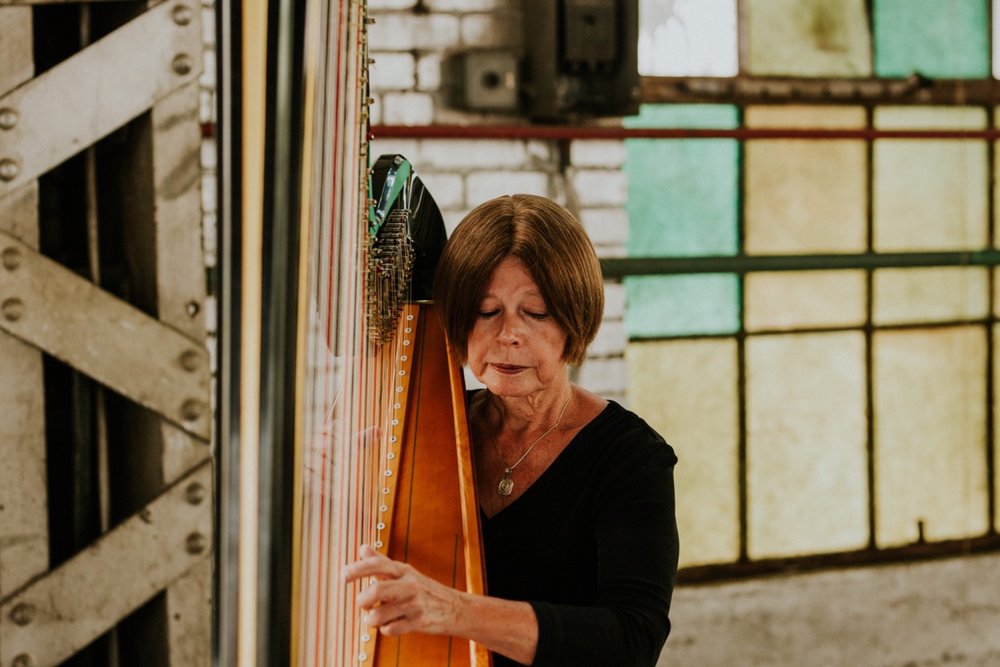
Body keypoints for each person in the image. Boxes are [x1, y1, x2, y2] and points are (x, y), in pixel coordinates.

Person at [344, 194, 679, 666]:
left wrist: (455, 611)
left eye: (535, 312)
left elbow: (631, 639)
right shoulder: (426, 432)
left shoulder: (632, 458)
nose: (507, 334)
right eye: (486, 311)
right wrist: (335, 494)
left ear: (574, 320)